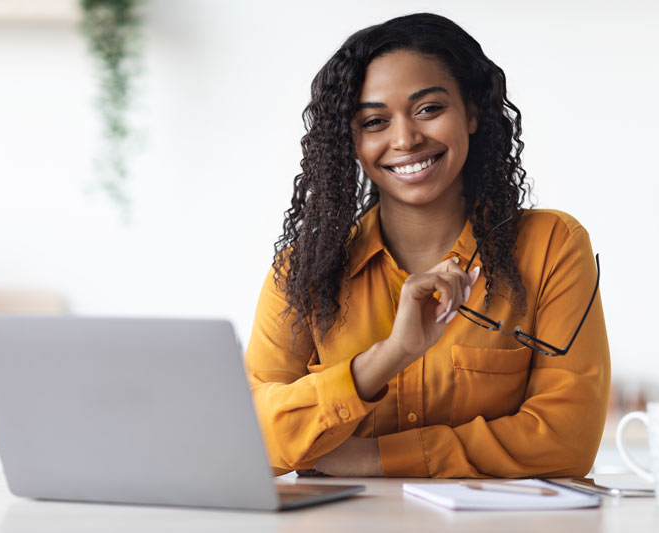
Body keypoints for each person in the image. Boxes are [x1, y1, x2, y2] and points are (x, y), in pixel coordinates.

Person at [244, 13, 610, 478]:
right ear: (351, 142)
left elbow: (566, 441)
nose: (405, 139)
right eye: (375, 121)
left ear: (472, 112)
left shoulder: (553, 247)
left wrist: (372, 458)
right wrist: (388, 356)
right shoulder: (304, 270)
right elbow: (252, 437)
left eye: (428, 109)